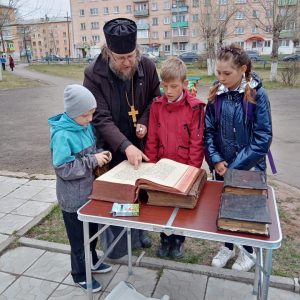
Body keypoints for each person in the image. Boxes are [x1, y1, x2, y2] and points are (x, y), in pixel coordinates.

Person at [83, 18, 161, 259]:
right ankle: (119, 240)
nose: (128, 63)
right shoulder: (94, 73)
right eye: (121, 58)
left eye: (131, 56)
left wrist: (145, 122)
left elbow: (153, 100)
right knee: (119, 195)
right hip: (112, 146)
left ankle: (138, 233)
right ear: (109, 53)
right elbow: (100, 117)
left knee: (139, 192)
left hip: (140, 144)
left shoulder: (146, 67)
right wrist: (125, 146)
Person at [204, 44, 273, 271]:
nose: (221, 78)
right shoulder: (217, 95)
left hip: (248, 169)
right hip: (221, 166)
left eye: (227, 73)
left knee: (245, 209)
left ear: (242, 69)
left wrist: (234, 166)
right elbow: (209, 131)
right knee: (223, 206)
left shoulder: (257, 95)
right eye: (218, 73)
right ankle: (227, 246)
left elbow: (262, 138)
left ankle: (248, 252)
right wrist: (215, 159)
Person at [48, 84, 113, 293]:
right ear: (74, 113)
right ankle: (79, 275)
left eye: (92, 114)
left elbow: (90, 152)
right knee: (78, 242)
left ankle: (93, 262)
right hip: (72, 200)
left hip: (88, 195)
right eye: (86, 115)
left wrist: (101, 154)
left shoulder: (84, 126)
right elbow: (64, 169)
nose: (90, 119)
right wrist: (92, 161)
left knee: (91, 234)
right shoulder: (62, 136)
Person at [145, 57, 206, 258]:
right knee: (163, 204)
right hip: (162, 165)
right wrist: (152, 165)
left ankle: (178, 241)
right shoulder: (156, 106)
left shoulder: (195, 108)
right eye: (165, 86)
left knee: (180, 206)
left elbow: (197, 143)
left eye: (174, 86)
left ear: (184, 84)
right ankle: (165, 239)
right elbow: (152, 137)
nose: (168, 91)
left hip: (184, 167)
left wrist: (192, 171)